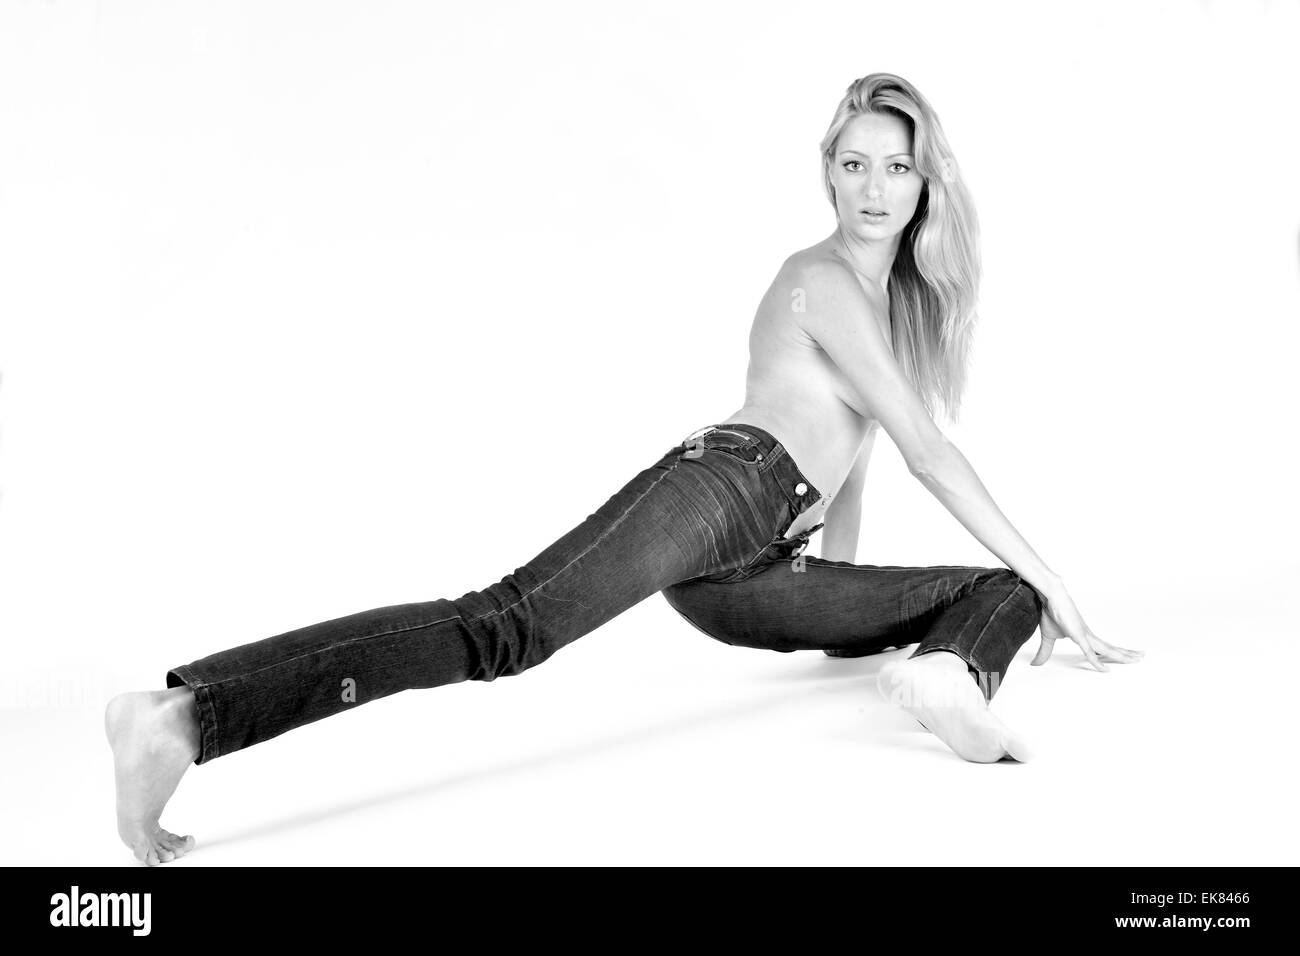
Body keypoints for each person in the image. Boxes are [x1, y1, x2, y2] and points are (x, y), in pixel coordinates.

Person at [104, 72, 1143, 866]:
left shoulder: (884, 306)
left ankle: (947, 669)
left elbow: (857, 470)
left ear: (926, 181)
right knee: (501, 625)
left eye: (897, 166)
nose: (874, 187)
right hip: (722, 486)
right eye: (855, 163)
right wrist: (1059, 580)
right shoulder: (819, 277)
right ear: (826, 168)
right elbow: (925, 449)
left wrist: (838, 609)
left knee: (987, 590)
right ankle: (186, 713)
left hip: (754, 562)